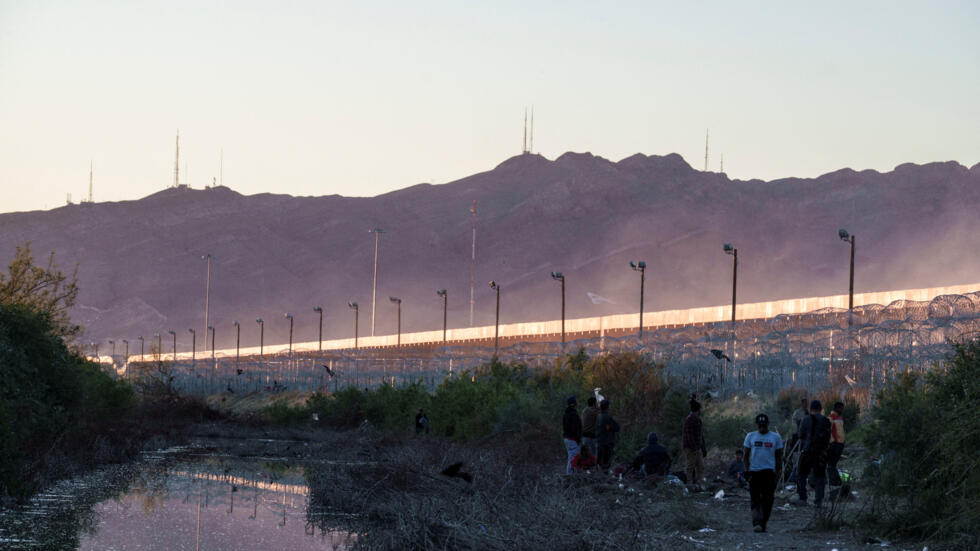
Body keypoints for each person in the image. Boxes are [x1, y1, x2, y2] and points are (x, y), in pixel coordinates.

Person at [744, 413, 783, 533]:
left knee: (768, 500)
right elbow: (746, 455)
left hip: (769, 473)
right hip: (754, 472)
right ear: (757, 425)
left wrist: (778, 471)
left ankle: (763, 523)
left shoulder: (775, 437)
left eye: (764, 425)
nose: (762, 428)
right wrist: (747, 470)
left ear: (768, 425)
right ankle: (756, 522)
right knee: (755, 499)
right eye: (760, 425)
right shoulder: (750, 436)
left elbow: (779, 456)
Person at [796, 399, 830, 506]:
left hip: (807, 451)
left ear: (811, 409)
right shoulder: (826, 420)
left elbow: (800, 435)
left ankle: (803, 498)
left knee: (801, 474)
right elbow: (828, 438)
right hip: (821, 453)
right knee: (820, 477)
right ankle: (818, 501)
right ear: (821, 409)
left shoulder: (806, 419)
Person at [682, 396, 707, 488]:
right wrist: (694, 448)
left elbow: (700, 435)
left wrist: (702, 448)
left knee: (701, 466)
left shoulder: (697, 419)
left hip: (697, 447)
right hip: (691, 448)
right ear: (698, 409)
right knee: (690, 467)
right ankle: (689, 486)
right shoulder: (690, 419)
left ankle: (699, 484)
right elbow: (689, 436)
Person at [595, 399, 620, 470]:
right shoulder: (607, 417)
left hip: (599, 442)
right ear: (607, 407)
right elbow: (616, 428)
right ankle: (604, 477)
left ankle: (599, 477)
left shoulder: (598, 416)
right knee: (606, 463)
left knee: (599, 462)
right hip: (606, 443)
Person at [826, 401, 846, 486]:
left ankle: (836, 482)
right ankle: (834, 482)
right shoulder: (831, 418)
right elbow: (828, 431)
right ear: (837, 408)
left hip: (840, 444)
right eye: (841, 408)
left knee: (833, 464)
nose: (842, 410)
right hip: (834, 445)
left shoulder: (840, 418)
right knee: (831, 465)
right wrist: (832, 442)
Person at [562, 396, 583, 474]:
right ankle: (570, 477)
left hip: (568, 438)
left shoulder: (566, 413)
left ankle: (572, 475)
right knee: (573, 458)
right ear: (574, 404)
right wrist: (578, 439)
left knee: (572, 457)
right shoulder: (573, 414)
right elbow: (575, 429)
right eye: (576, 402)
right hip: (572, 439)